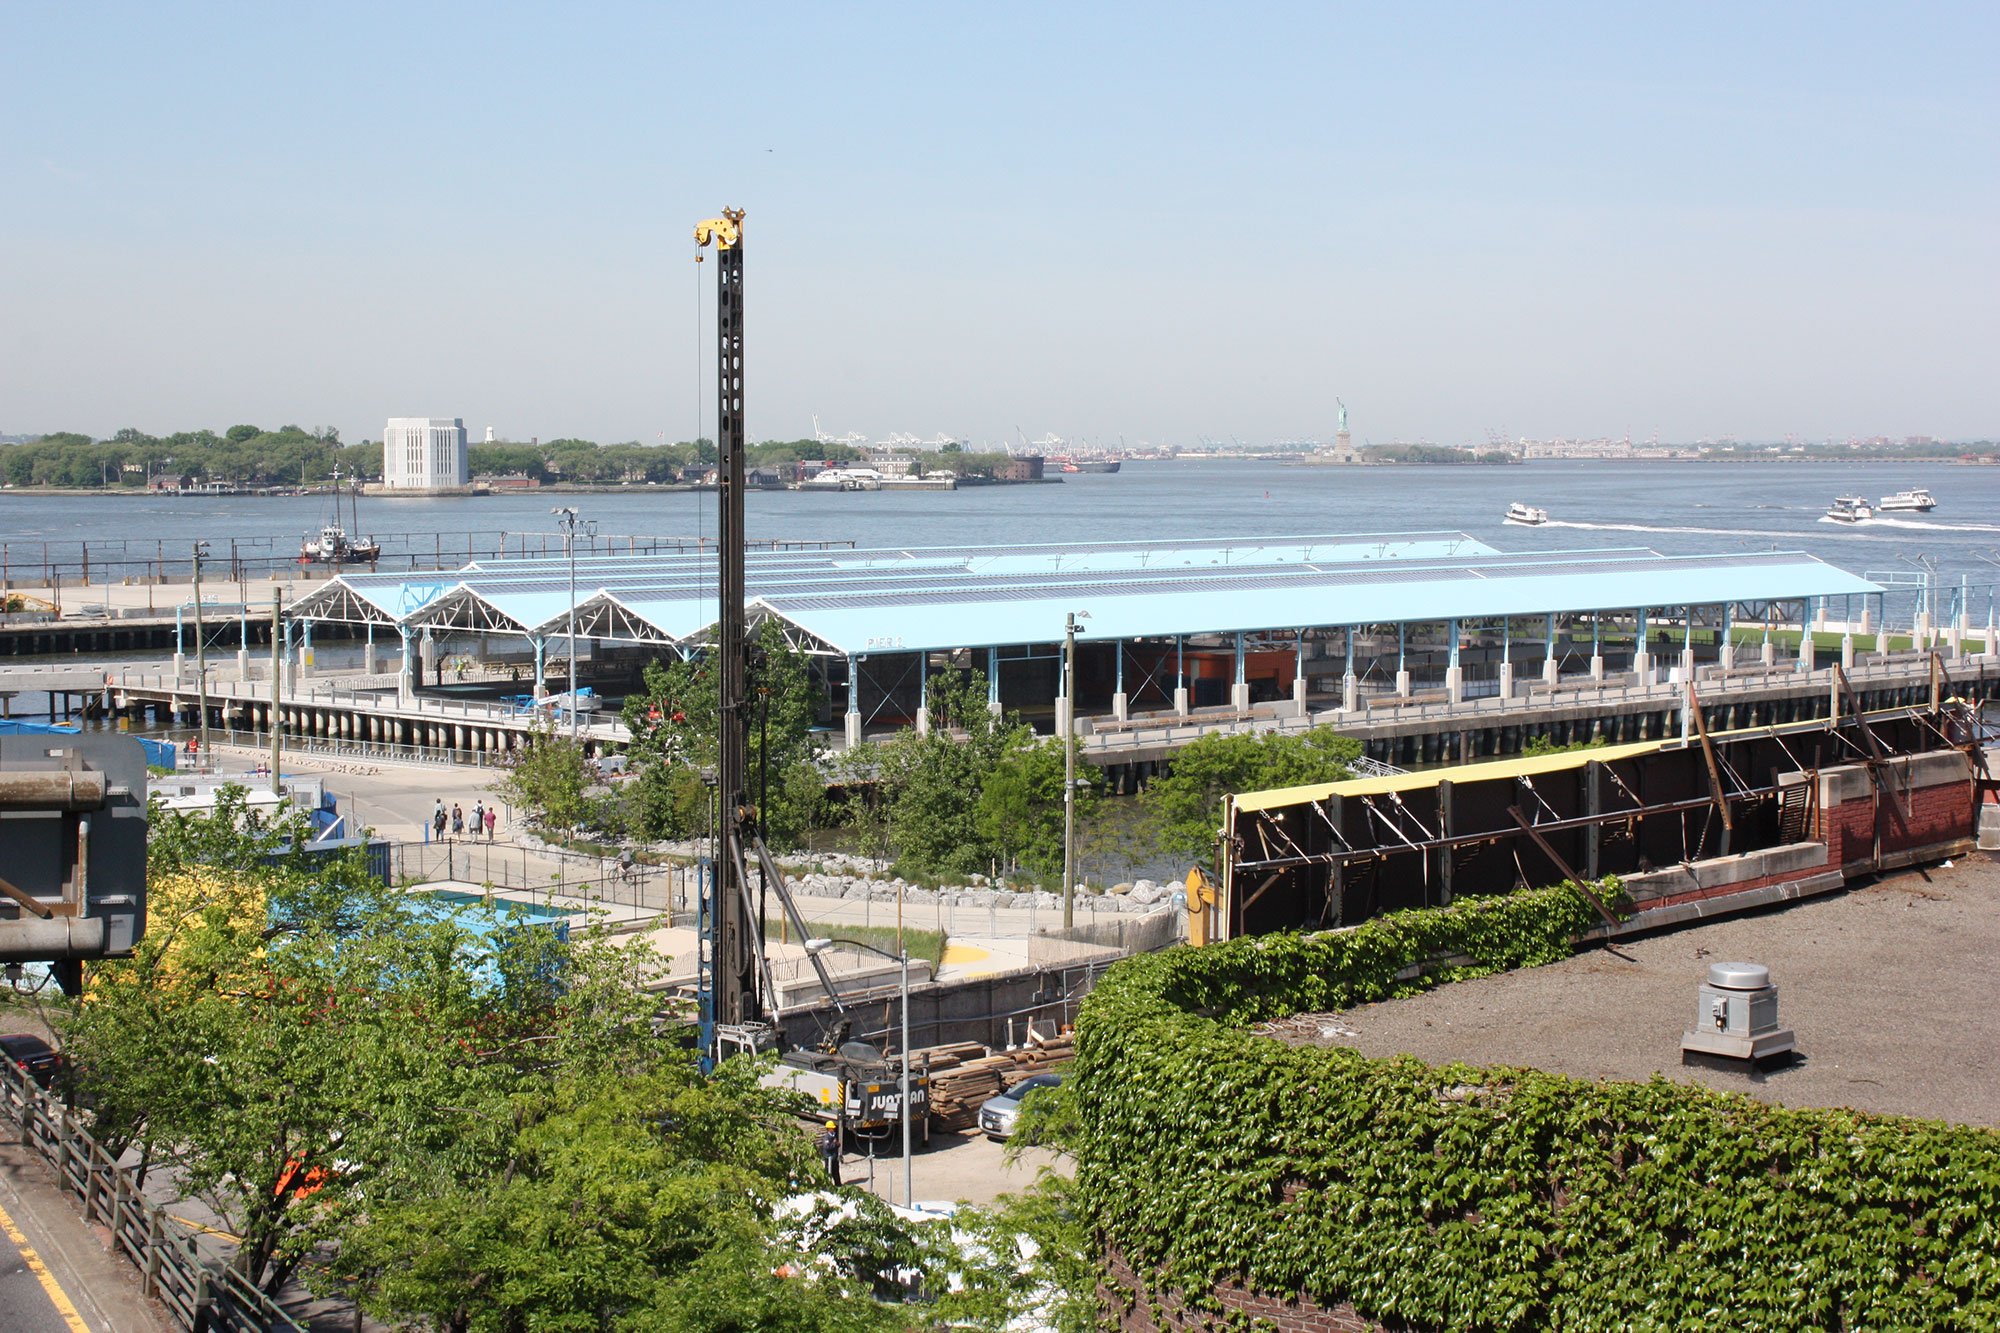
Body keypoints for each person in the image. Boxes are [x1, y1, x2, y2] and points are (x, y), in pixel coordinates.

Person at [816, 1121, 841, 1186]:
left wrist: (837, 1144)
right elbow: (827, 1147)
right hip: (829, 1158)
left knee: (836, 1172)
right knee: (828, 1172)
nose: (833, 1129)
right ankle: (826, 1185)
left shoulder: (834, 1135)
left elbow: (837, 1144)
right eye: (832, 1128)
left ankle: (838, 1185)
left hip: (834, 1157)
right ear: (829, 1129)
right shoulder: (826, 1137)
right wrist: (835, 1144)